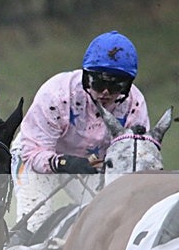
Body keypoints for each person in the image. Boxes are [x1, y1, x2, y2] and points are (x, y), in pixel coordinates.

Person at [11, 31, 149, 234]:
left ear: (128, 85)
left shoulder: (134, 105)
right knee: (34, 227)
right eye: (99, 83)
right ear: (86, 77)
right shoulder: (57, 95)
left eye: (116, 86)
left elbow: (136, 160)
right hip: (36, 158)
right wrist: (64, 162)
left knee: (108, 224)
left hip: (91, 165)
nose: (105, 93)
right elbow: (32, 152)